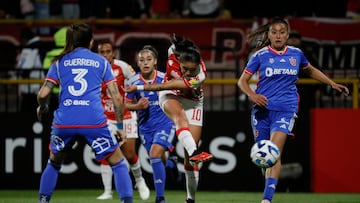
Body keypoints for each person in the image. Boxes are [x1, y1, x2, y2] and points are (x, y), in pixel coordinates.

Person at [237, 17, 350, 203]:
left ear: (287, 35)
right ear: (269, 35)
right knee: (264, 160)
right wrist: (252, 95)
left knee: (273, 151)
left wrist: (332, 83)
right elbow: (242, 81)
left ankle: (266, 200)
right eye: (274, 32)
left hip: (286, 109)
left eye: (282, 32)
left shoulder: (296, 54)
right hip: (262, 110)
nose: (278, 36)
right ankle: (268, 182)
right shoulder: (260, 55)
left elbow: (310, 70)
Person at [36, 23, 133, 203]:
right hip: (93, 121)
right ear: (91, 42)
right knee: (118, 164)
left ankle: (42, 201)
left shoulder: (58, 62)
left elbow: (43, 94)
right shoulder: (101, 61)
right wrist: (120, 127)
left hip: (64, 122)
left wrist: (43, 107)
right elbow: (117, 99)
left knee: (54, 163)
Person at [125, 34, 213, 203]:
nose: (187, 73)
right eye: (184, 69)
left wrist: (139, 86)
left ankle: (190, 198)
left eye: (191, 70)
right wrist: (138, 88)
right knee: (178, 116)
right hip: (168, 95)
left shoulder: (200, 76)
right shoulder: (172, 51)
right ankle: (196, 152)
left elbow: (166, 83)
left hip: (193, 102)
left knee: (190, 162)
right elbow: (166, 88)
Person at [96, 40, 150, 200]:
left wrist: (138, 102)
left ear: (113, 53)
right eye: (102, 52)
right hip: (106, 117)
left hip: (125, 115)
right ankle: (107, 191)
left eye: (108, 51)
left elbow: (136, 81)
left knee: (129, 153)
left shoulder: (122, 67)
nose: (105, 55)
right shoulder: (95, 69)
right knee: (106, 152)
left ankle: (140, 181)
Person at [125, 45, 178, 203]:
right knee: (158, 158)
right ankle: (170, 163)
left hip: (165, 124)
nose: (145, 63)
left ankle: (160, 198)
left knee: (154, 154)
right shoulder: (133, 82)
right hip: (145, 127)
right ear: (138, 63)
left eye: (149, 59)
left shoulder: (164, 79)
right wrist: (137, 106)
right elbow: (125, 104)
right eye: (142, 60)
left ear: (155, 62)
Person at [16, 27, 46, 112]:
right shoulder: (42, 46)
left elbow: (24, 69)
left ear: (24, 39)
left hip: (31, 89)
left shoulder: (30, 49)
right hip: (41, 86)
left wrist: (17, 76)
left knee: (27, 116)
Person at [42, 26, 67, 112]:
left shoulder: (49, 54)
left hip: (53, 91)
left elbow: (46, 72)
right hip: (69, 94)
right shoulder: (72, 54)